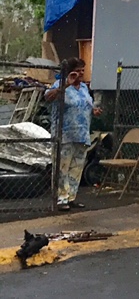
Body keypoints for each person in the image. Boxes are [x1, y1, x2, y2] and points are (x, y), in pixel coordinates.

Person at [44, 57, 102, 212]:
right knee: (62, 167)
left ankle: (71, 197)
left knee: (76, 168)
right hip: (64, 135)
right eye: (77, 71)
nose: (81, 74)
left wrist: (93, 111)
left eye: (83, 70)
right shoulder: (60, 85)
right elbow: (48, 97)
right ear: (69, 72)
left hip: (82, 134)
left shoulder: (83, 88)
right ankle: (60, 199)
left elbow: (86, 105)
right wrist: (66, 84)